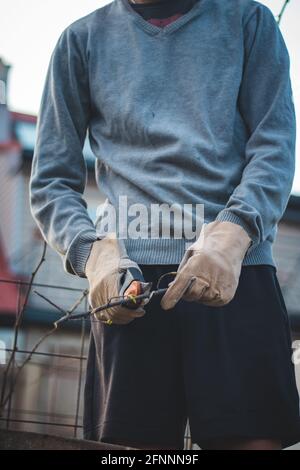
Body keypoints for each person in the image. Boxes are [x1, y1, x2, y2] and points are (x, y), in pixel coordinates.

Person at [29, 0, 300, 449]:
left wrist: (234, 234)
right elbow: (51, 180)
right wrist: (92, 254)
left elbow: (275, 147)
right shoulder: (81, 41)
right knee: (129, 455)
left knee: (253, 443)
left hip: (235, 272)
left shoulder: (248, 22)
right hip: (127, 286)